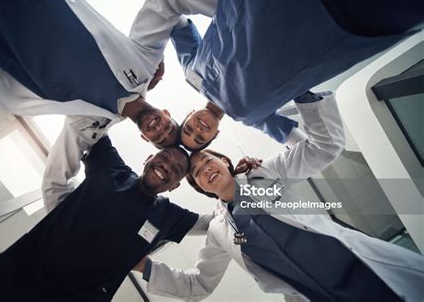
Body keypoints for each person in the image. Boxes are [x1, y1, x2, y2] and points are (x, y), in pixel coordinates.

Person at [133, 93, 424, 301]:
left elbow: (324, 148)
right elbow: (197, 285)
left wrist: (303, 88)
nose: (204, 168)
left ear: (225, 161)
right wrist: (144, 266)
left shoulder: (265, 175)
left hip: (371, 271)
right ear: (201, 188)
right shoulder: (219, 230)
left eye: (207, 159)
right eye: (196, 172)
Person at [130, 0, 424, 150]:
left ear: (188, 115)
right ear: (215, 135)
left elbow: (175, 19)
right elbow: (307, 144)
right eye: (201, 138)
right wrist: (259, 176)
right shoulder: (254, 117)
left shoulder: (192, 73)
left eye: (190, 129)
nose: (198, 130)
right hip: (343, 23)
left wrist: (148, 62)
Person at [0, 134, 212, 301]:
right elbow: (88, 117)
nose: (166, 166)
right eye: (164, 157)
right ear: (149, 157)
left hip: (76, 297)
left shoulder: (168, 216)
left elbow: (215, 224)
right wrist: (143, 108)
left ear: (175, 186)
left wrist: (247, 181)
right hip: (19, 270)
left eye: (176, 169)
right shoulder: (112, 169)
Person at [0, 0, 178, 148]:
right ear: (167, 113)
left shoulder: (89, 126)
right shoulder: (147, 66)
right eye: (168, 127)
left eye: (159, 137)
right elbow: (166, 1)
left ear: (145, 138)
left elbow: (55, 181)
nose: (160, 129)